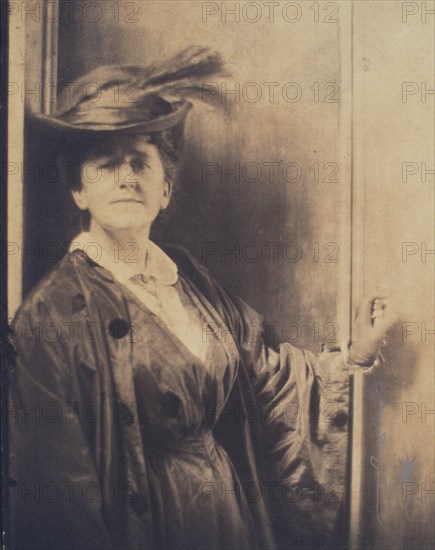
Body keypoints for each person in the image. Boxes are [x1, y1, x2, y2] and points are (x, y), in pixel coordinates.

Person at [6, 47, 396, 550]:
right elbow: (57, 487)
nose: (127, 177)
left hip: (227, 518)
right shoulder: (50, 311)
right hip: (142, 529)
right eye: (106, 165)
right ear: (79, 191)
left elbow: (271, 379)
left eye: (140, 163)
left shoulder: (187, 275)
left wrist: (356, 354)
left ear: (165, 189)